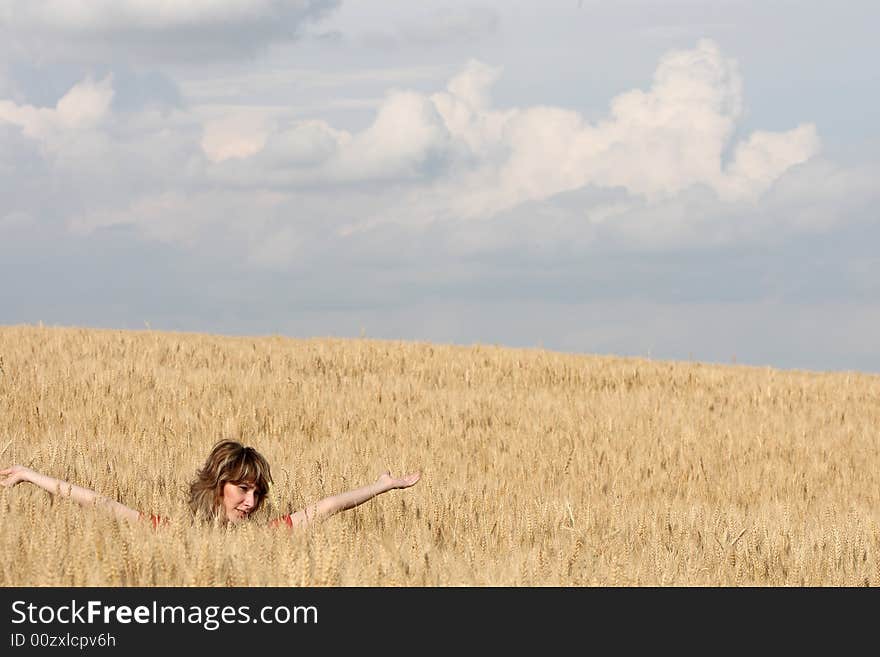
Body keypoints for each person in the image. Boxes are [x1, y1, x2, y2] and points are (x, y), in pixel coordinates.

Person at [0, 440, 420, 529]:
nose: (251, 501)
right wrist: (31, 475)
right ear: (218, 487)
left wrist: (381, 486)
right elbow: (100, 503)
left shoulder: (269, 538)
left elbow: (328, 506)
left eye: (258, 492)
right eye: (242, 489)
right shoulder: (172, 536)